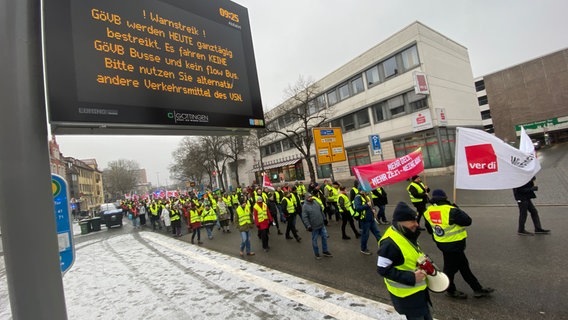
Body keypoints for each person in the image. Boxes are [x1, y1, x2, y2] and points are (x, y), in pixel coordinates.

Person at [424, 189, 495, 299]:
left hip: (442, 244)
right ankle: (450, 290)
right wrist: (457, 208)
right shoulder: (452, 210)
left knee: (463, 266)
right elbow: (468, 221)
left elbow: (430, 229)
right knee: (450, 269)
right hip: (454, 244)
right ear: (445, 198)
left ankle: (477, 289)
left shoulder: (428, 211)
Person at [378, 202, 432, 320]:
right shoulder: (389, 244)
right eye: (412, 221)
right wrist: (411, 277)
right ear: (400, 222)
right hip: (407, 297)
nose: (416, 224)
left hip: (419, 293)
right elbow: (382, 270)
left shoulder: (406, 233)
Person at [301, 193, 333, 260]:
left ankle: (325, 251)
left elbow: (321, 211)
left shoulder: (315, 202)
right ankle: (316, 253)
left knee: (324, 237)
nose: (311, 198)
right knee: (314, 240)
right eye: (309, 197)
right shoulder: (305, 206)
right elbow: (305, 217)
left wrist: (324, 219)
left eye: (311, 196)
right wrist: (308, 226)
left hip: (321, 224)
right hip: (314, 226)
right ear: (306, 198)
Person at [353, 189, 382, 255]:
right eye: (365, 190)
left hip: (371, 218)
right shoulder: (358, 197)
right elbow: (357, 208)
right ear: (361, 190)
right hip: (364, 220)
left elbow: (372, 205)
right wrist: (367, 205)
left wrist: (374, 209)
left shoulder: (367, 196)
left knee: (377, 233)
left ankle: (382, 246)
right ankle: (363, 249)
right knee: (365, 235)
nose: (367, 191)